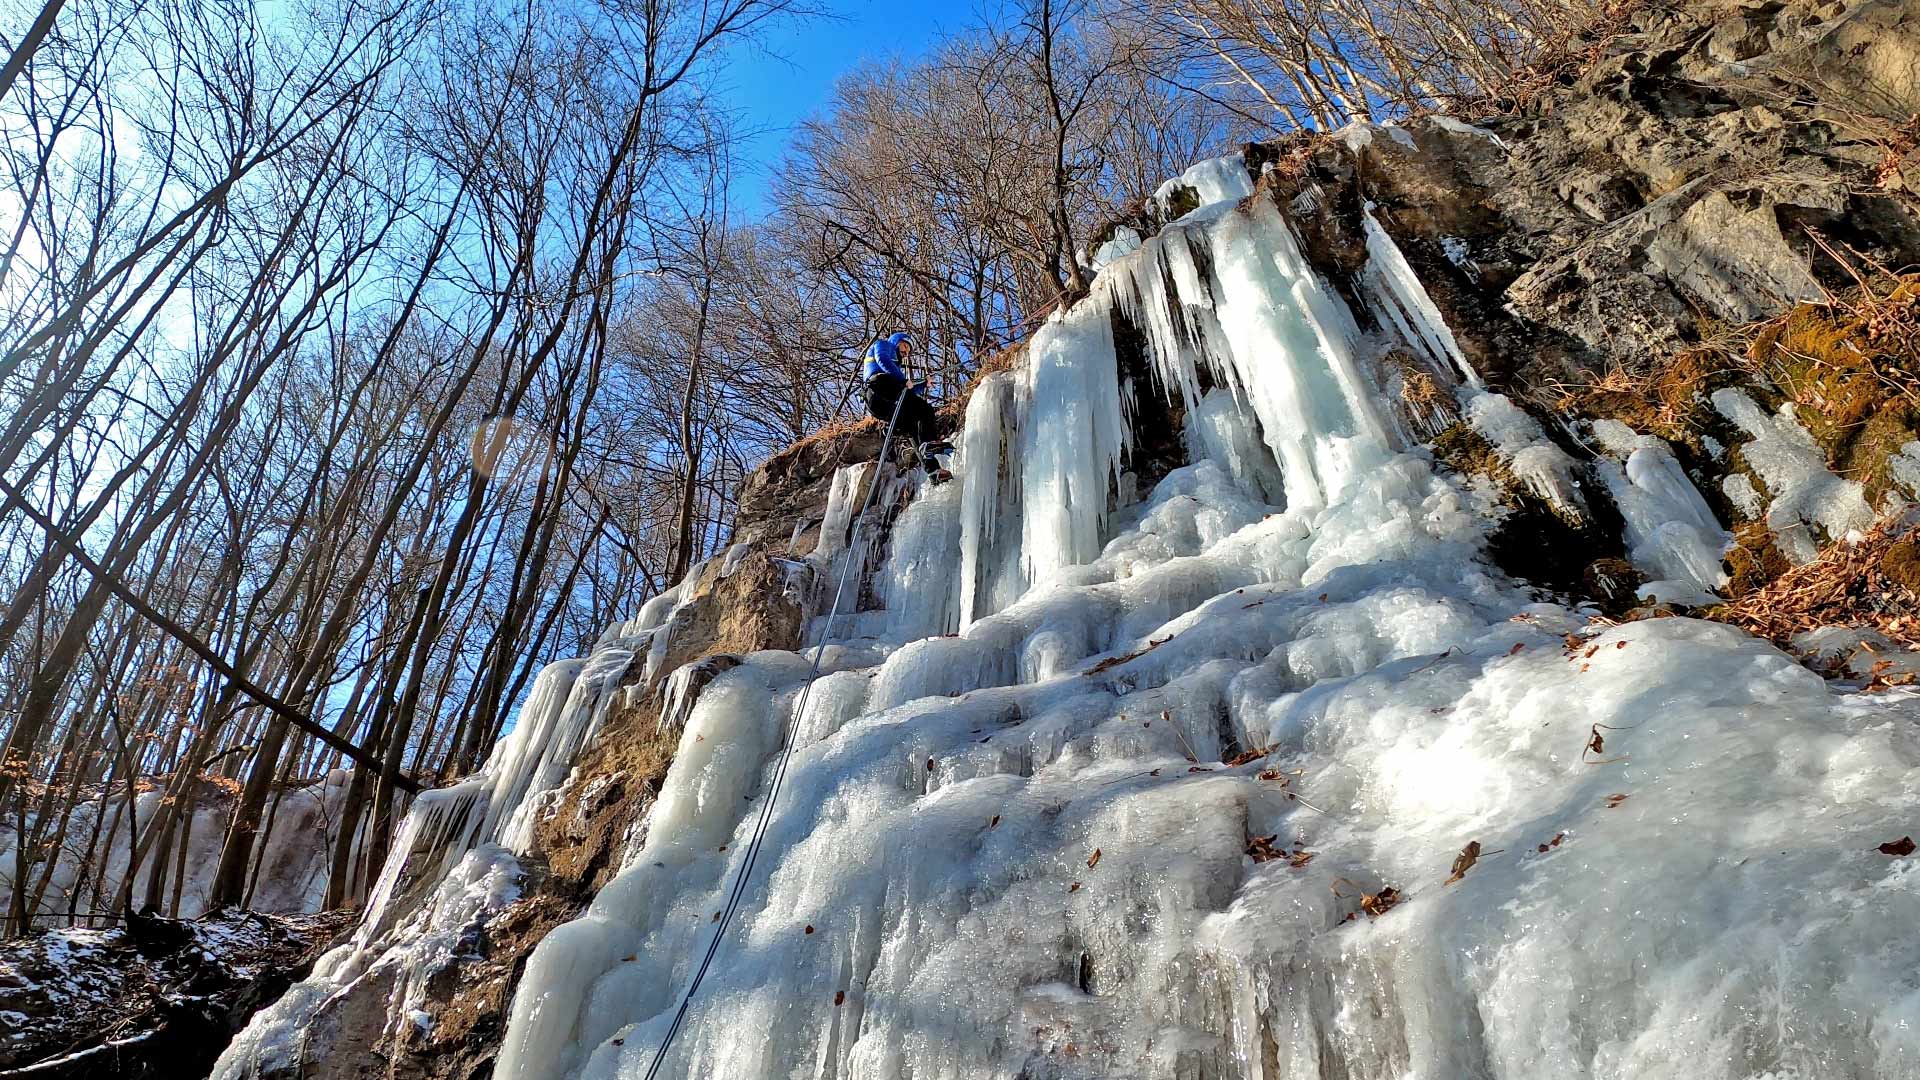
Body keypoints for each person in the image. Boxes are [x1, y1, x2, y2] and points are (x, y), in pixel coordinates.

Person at [861, 332, 952, 484]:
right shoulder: (884, 345)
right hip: (878, 386)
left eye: (908, 351)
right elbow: (882, 359)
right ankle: (928, 443)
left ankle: (933, 471)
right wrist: (903, 381)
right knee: (925, 410)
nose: (906, 352)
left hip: (883, 402)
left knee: (912, 427)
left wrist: (923, 385)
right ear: (897, 341)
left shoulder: (894, 370)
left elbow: (907, 391)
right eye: (905, 346)